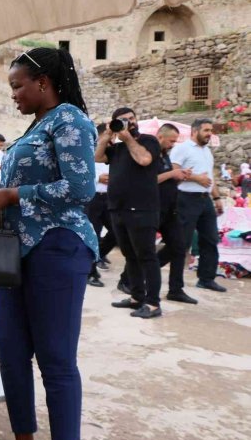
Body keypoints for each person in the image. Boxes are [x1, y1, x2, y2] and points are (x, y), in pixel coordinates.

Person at [0, 47, 97, 440]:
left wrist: (14, 194)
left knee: (55, 357)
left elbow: (82, 190)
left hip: (58, 246)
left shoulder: (69, 119)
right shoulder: (36, 126)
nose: (13, 94)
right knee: (9, 348)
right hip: (19, 253)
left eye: (18, 85)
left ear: (43, 82)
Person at [95, 107, 163, 319]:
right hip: (118, 209)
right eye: (122, 121)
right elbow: (97, 158)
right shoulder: (116, 149)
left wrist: (128, 139)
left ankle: (152, 304)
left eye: (130, 119)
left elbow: (144, 160)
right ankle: (136, 297)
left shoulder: (149, 141)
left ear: (136, 120)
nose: (128, 123)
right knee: (130, 256)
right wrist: (106, 137)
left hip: (142, 209)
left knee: (146, 257)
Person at [171, 118, 226, 292]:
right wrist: (196, 178)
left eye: (211, 130)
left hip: (205, 200)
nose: (209, 134)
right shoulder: (182, 148)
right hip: (185, 199)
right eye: (206, 130)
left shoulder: (207, 151)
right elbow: (172, 171)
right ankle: (176, 285)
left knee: (210, 239)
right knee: (183, 242)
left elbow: (209, 178)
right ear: (194, 131)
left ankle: (206, 278)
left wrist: (216, 199)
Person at [152, 123, 199, 304]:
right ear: (160, 136)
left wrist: (179, 176)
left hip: (171, 209)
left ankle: (175, 289)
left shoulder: (165, 156)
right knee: (144, 251)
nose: (173, 144)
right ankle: (131, 278)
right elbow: (150, 180)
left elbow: (168, 181)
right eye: (171, 141)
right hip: (154, 208)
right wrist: (173, 173)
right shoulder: (150, 155)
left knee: (179, 247)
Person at [86, 123, 116, 287]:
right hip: (93, 198)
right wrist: (98, 178)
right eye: (108, 134)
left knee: (117, 231)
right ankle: (90, 272)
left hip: (109, 198)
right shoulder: (88, 149)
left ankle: (96, 258)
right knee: (94, 235)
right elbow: (82, 172)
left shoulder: (114, 150)